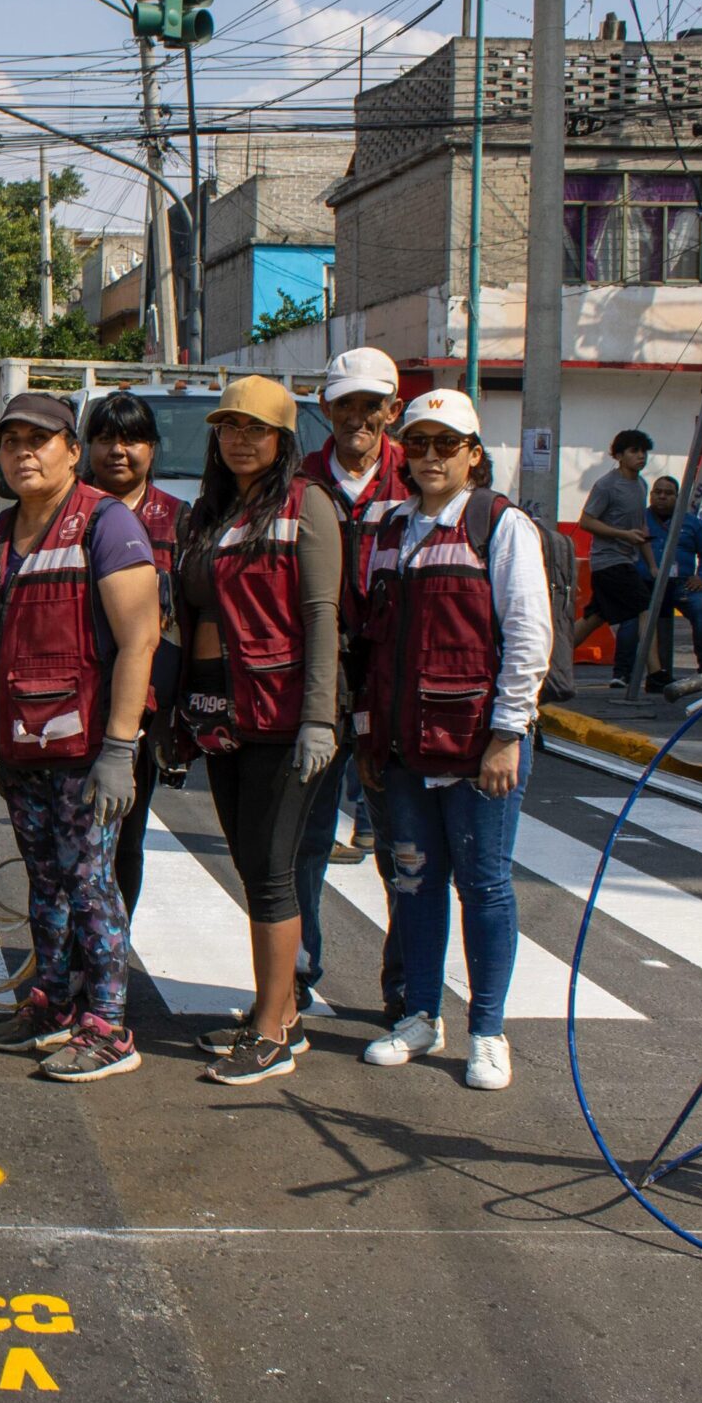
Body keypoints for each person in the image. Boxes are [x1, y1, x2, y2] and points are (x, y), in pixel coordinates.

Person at [353, 390, 549, 1092]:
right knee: (413, 880)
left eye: (447, 443)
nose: (432, 456)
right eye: (421, 443)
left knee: (486, 885)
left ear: (474, 452)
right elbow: (369, 643)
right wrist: (370, 738)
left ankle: (488, 1029)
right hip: (403, 747)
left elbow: (527, 636)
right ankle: (420, 1014)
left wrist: (507, 733)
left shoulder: (500, 525)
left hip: (475, 747)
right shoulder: (387, 527)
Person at [0, 394, 161, 1082]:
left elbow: (141, 637)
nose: (25, 451)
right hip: (22, 750)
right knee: (45, 882)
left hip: (87, 751)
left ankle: (108, 1024)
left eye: (41, 439)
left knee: (91, 885)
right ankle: (51, 1005)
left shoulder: (106, 524)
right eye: (12, 440)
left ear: (71, 451)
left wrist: (120, 748)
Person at [175, 375, 343, 1086]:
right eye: (230, 427)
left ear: (282, 440)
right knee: (251, 866)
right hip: (221, 713)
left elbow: (322, 618)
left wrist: (318, 718)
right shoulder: (211, 511)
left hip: (280, 717)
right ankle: (274, 1010)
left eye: (256, 428)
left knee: (273, 871)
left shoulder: (308, 507)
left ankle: (274, 1028)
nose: (240, 439)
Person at [292, 347, 414, 1017]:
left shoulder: (418, 477)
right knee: (307, 842)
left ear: (392, 410)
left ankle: (403, 991)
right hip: (319, 683)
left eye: (373, 405)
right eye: (346, 404)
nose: (359, 418)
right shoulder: (299, 479)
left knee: (400, 849)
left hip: (395, 689)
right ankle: (299, 977)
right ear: (325, 410)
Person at [82, 390, 184, 915]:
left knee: (126, 837)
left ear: (152, 448)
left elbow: (190, 621)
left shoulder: (180, 519)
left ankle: (113, 948)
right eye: (105, 438)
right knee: (64, 844)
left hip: (143, 710)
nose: (118, 450)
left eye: (132, 438)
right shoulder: (65, 511)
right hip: (70, 704)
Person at [572, 430, 656, 689]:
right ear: (619, 456)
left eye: (643, 451)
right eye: (634, 451)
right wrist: (622, 535)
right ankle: (656, 673)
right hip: (608, 561)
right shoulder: (607, 485)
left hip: (627, 559)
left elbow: (641, 528)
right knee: (645, 608)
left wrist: (652, 565)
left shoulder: (641, 485)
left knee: (595, 617)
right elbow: (585, 521)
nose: (640, 456)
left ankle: (551, 658)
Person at [643, 474, 702, 686]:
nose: (662, 497)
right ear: (651, 495)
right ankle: (623, 674)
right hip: (650, 584)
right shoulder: (641, 520)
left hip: (683, 584)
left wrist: (701, 577)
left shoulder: (691, 523)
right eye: (657, 492)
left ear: (677, 497)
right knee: (634, 623)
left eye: (668, 493)